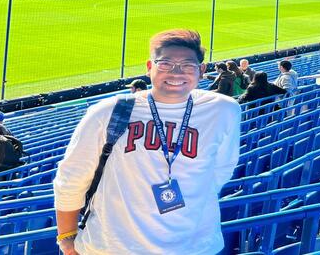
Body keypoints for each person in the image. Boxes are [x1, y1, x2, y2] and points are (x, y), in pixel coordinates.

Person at [54, 29, 241, 255]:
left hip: (194, 247)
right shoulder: (107, 112)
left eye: (187, 65)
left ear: (201, 71)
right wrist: (66, 238)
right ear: (149, 67)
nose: (176, 72)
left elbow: (221, 170)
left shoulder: (224, 110)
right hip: (112, 248)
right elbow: (71, 177)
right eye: (165, 64)